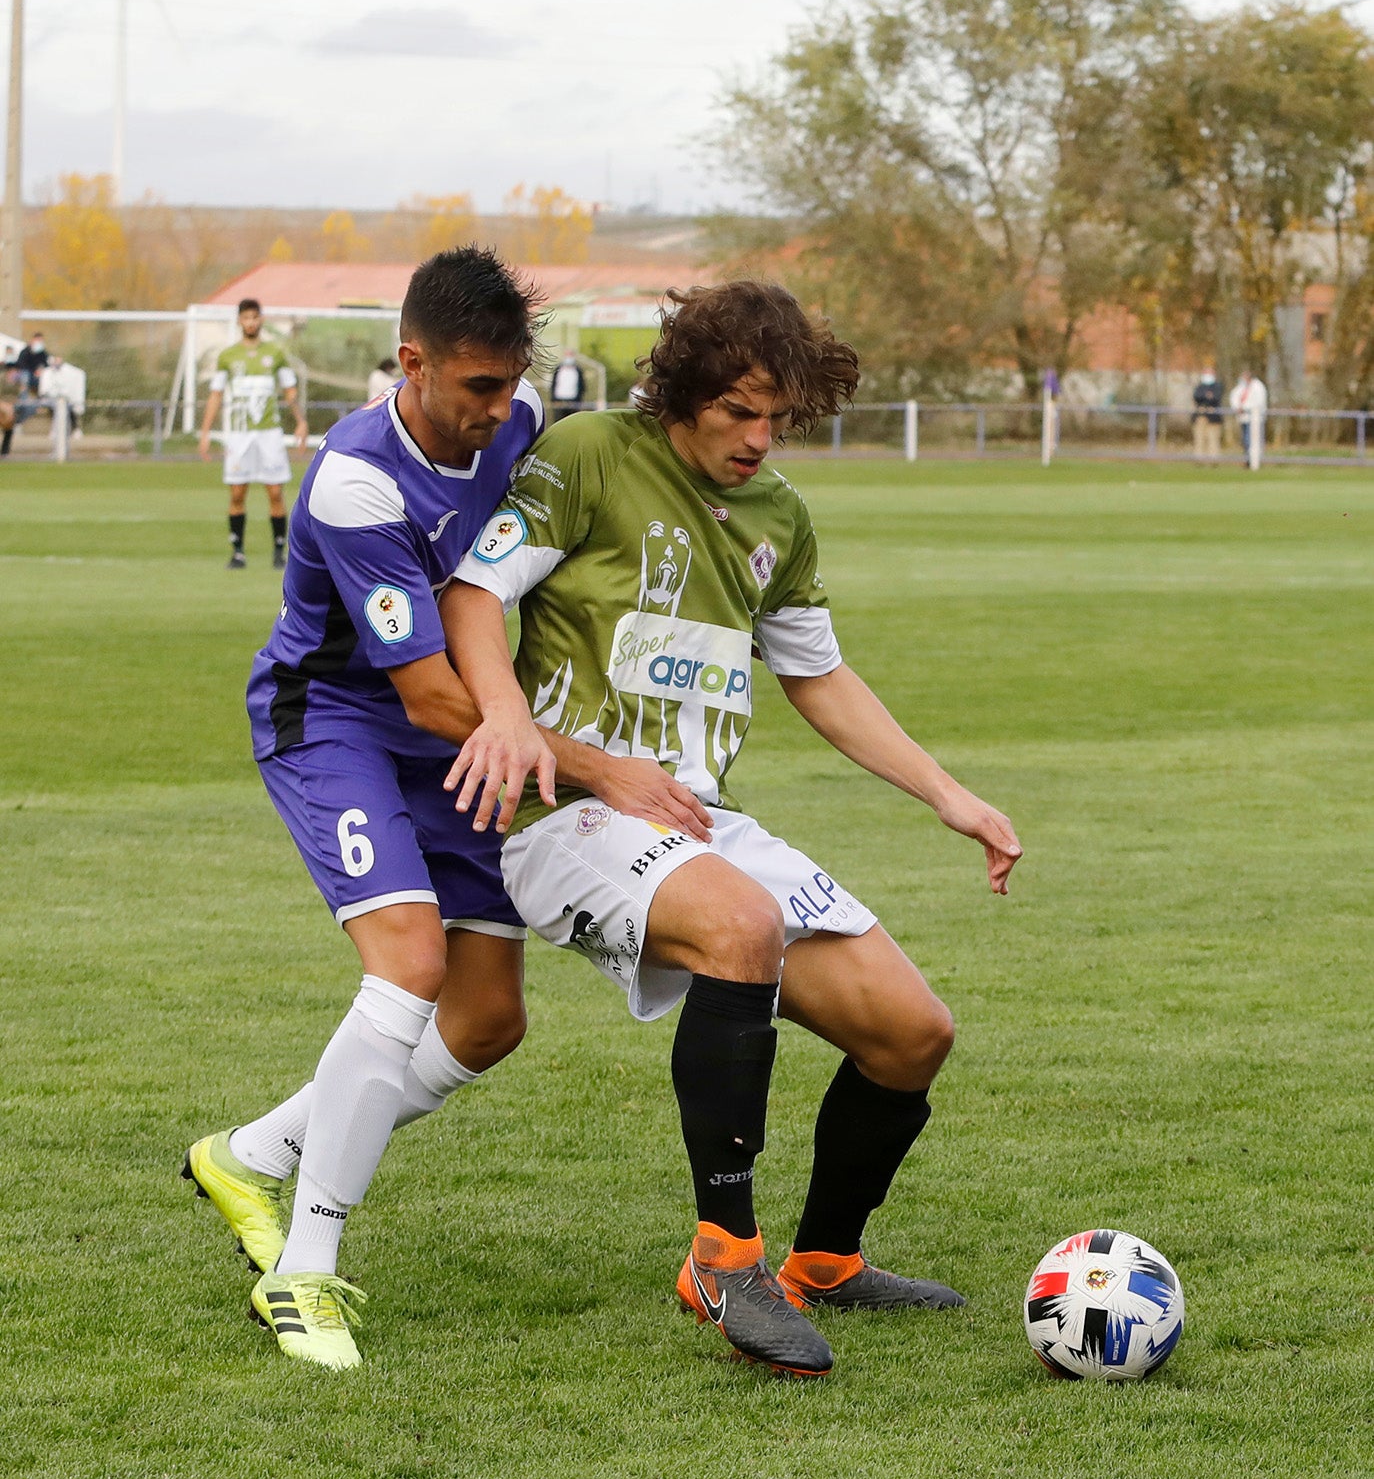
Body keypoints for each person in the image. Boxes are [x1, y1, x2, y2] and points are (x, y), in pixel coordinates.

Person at [444, 280, 1023, 1378]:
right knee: (742, 927)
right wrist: (516, 723)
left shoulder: (778, 515)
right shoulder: (589, 454)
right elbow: (473, 596)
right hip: (566, 812)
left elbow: (820, 676)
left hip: (698, 819)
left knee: (912, 1033)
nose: (760, 439)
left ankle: (825, 1261)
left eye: (780, 418)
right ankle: (723, 1257)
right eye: (740, 412)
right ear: (686, 391)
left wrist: (950, 795)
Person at [182, 247, 707, 1370]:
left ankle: (249, 1154)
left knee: (486, 1019)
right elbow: (425, 692)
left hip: (461, 734)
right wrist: (601, 768)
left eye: (512, 384)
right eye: (477, 385)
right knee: (411, 962)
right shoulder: (355, 479)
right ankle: (303, 1270)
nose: (499, 408)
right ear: (410, 362)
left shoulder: (518, 430)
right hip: (340, 721)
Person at [198, 298, 309, 569]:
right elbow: (216, 394)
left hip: (269, 433)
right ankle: (237, 553)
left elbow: (289, 390)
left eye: (255, 317)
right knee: (237, 493)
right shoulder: (228, 356)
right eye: (246, 318)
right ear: (240, 321)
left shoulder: (276, 352)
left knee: (275, 492)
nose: (251, 323)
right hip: (239, 435)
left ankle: (279, 553)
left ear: (261, 319)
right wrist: (205, 432)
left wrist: (300, 421)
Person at [39, 353, 87, 439]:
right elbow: (46, 389)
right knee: (57, 409)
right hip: (53, 400)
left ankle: (73, 430)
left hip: (66, 400)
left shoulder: (69, 371)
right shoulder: (48, 372)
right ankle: (56, 431)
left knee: (70, 409)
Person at [1229, 367, 1268, 469]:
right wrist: (1237, 407)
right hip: (1244, 418)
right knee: (1245, 441)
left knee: (1254, 441)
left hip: (1255, 419)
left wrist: (1244, 407)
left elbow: (1258, 402)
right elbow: (1234, 396)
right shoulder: (1241, 386)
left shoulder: (1258, 386)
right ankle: (1247, 460)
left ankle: (1255, 461)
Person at [1191, 370, 1223, 464]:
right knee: (1199, 438)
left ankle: (1213, 459)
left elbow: (1216, 397)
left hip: (1213, 418)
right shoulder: (1200, 386)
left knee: (1213, 438)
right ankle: (1199, 459)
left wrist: (1207, 398)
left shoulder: (1217, 386)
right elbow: (1197, 396)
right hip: (1200, 416)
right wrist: (1207, 396)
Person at [549, 349, 586, 421]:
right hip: (559, 401)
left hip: (573, 401)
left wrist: (579, 399)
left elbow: (582, 386)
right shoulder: (558, 369)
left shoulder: (578, 370)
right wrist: (553, 399)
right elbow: (553, 384)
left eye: (570, 355)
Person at [9, 330, 48, 396]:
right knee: (25, 375)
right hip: (26, 373)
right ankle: (23, 397)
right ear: (33, 340)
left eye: (41, 341)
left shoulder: (43, 353)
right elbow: (21, 364)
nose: (40, 342)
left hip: (37, 375)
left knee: (46, 376)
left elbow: (45, 364)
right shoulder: (25, 351)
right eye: (38, 340)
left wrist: (40, 369)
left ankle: (43, 396)